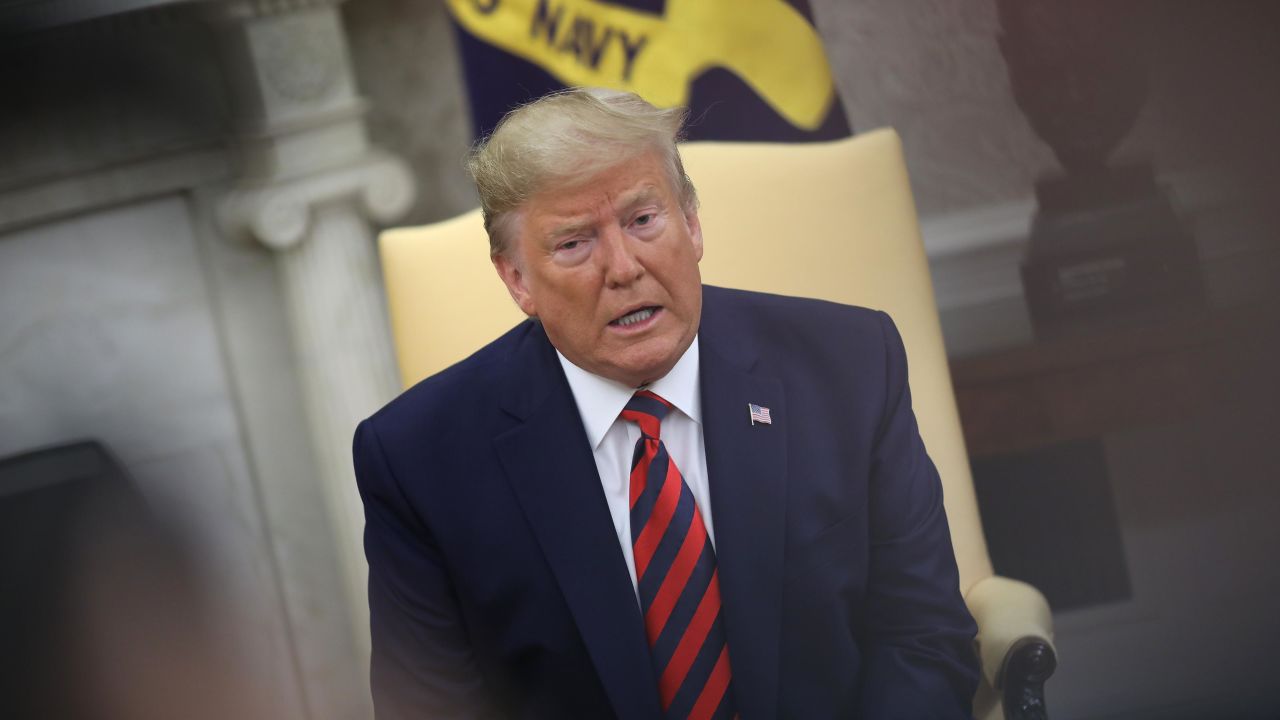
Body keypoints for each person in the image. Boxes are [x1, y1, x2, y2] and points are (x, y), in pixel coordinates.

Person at [353, 88, 980, 719]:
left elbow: (921, 637)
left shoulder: (847, 365)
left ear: (693, 222)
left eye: (642, 220)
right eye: (574, 243)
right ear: (517, 279)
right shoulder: (418, 461)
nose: (623, 268)